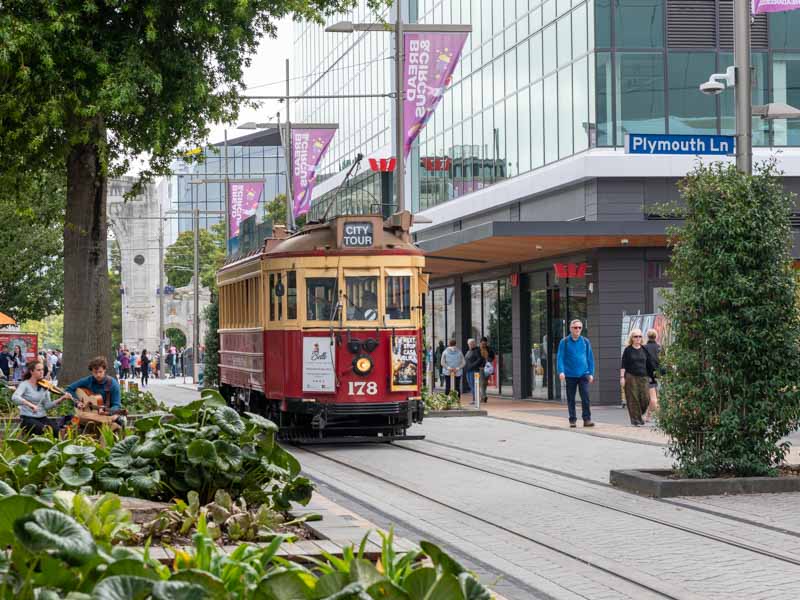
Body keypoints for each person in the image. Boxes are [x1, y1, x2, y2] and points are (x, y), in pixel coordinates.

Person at [12, 360, 72, 435]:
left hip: (42, 417)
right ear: (31, 371)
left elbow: (47, 406)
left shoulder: (45, 386)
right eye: (38, 370)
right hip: (27, 418)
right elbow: (15, 397)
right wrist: (30, 405)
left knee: (57, 431)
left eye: (42, 369)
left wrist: (62, 398)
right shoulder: (25, 384)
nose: (42, 372)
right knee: (44, 429)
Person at [557, 319, 595, 428]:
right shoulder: (564, 342)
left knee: (586, 397)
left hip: (584, 374)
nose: (577, 329)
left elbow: (590, 359)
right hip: (569, 375)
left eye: (579, 328)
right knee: (571, 398)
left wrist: (591, 373)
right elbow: (560, 358)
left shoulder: (585, 341)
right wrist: (561, 371)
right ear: (570, 328)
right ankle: (572, 420)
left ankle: (587, 420)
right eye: (575, 327)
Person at [620, 328, 656, 427]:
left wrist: (652, 376)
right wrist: (622, 377)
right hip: (631, 376)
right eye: (636, 336)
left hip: (643, 377)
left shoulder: (644, 349)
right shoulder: (628, 350)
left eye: (640, 336)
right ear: (632, 338)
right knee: (633, 399)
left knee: (646, 399)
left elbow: (649, 364)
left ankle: (638, 416)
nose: (638, 338)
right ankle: (636, 420)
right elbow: (623, 364)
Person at [643, 329, 662, 423]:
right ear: (656, 336)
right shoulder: (660, 348)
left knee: (653, 399)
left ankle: (652, 416)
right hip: (660, 376)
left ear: (647, 336)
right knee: (656, 398)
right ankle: (652, 416)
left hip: (648, 376)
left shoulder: (644, 348)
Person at [479, 337, 496, 403]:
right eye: (483, 343)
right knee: (482, 382)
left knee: (485, 383)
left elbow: (492, 357)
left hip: (487, 368)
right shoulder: (478, 349)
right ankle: (484, 396)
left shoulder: (489, 349)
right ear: (480, 343)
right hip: (481, 368)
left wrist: (488, 359)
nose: (484, 345)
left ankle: (483, 396)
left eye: (485, 343)